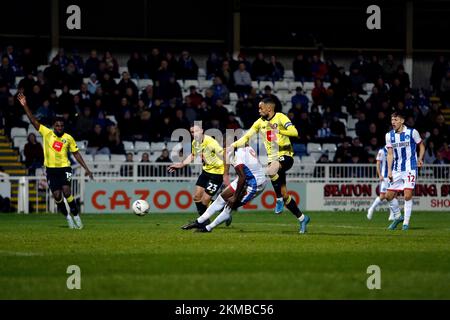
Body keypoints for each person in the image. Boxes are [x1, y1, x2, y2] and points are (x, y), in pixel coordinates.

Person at [230, 98, 310, 233]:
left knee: (271, 169)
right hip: (273, 160)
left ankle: (278, 199)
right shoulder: (259, 123)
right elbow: (246, 137)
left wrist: (279, 131)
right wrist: (232, 145)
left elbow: (295, 132)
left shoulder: (280, 117)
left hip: (286, 155)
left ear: (269, 108)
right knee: (286, 195)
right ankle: (302, 218)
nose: (259, 110)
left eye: (261, 108)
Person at [17, 93, 93, 229]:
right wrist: (25, 105)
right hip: (51, 170)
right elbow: (33, 120)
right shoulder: (47, 133)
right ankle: (68, 217)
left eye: (61, 126)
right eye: (57, 126)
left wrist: (86, 168)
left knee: (67, 191)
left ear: (63, 127)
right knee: (57, 196)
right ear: (53, 126)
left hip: (65, 168)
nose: (59, 128)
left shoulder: (68, 138)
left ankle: (76, 215)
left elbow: (76, 154)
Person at [181, 145, 267, 232]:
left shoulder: (236, 156)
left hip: (255, 184)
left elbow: (242, 177)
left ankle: (208, 228)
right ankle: (199, 222)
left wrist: (234, 197)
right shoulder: (243, 146)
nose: (224, 147)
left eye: (225, 145)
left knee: (229, 206)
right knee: (221, 198)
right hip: (247, 178)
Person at [168, 125, 225, 218]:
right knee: (196, 197)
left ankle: (222, 211)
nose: (194, 134)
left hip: (216, 174)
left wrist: (226, 173)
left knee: (205, 201)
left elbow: (224, 155)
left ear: (202, 131)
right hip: (206, 172)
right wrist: (181, 165)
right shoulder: (195, 142)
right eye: (192, 132)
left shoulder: (211, 142)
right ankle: (204, 222)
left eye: (196, 131)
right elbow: (193, 155)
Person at [385, 111, 425, 231]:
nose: (393, 122)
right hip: (397, 169)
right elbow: (390, 154)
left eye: (396, 120)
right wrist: (389, 171)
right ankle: (398, 217)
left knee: (407, 195)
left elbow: (421, 146)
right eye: (392, 120)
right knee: (388, 196)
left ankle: (405, 223)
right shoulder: (389, 135)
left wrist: (420, 158)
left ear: (402, 121)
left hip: (410, 168)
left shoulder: (412, 132)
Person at [367, 146, 398, 221]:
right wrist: (380, 174)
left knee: (394, 196)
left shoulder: (396, 150)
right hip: (385, 177)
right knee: (382, 196)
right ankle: (371, 209)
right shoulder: (382, 151)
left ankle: (392, 215)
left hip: (394, 176)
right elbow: (378, 163)